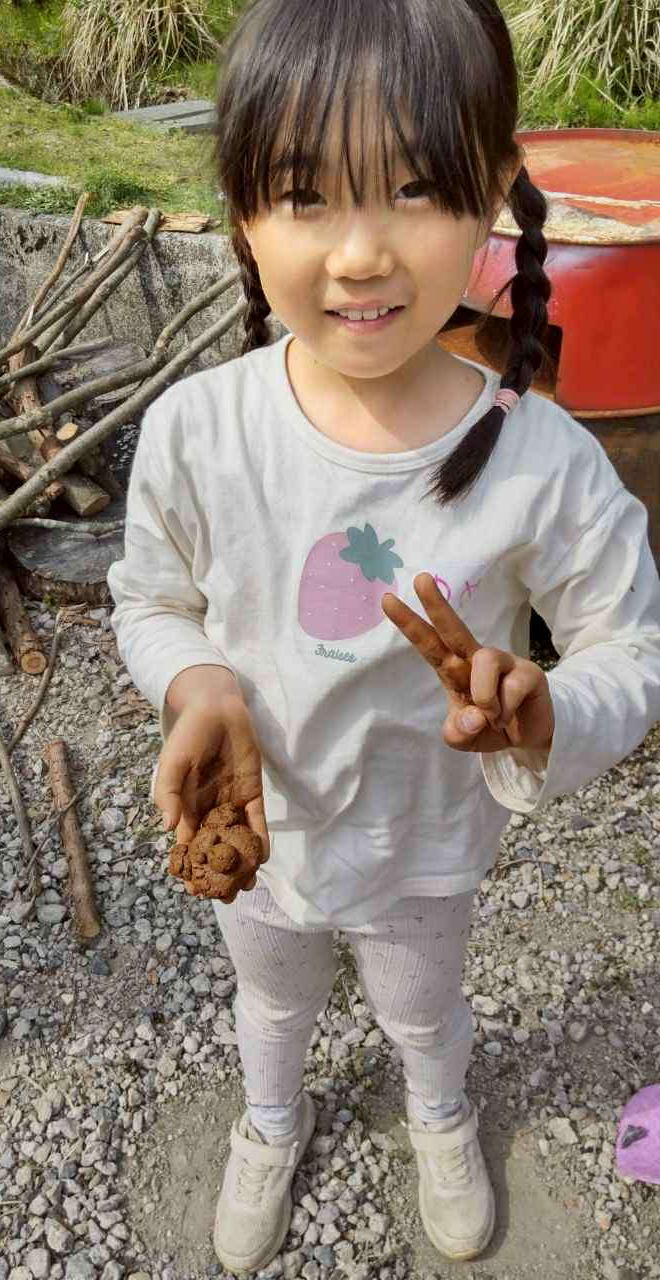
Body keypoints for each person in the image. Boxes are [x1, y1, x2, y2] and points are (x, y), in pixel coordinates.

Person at [107, 0, 660, 1271]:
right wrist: (198, 682)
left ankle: (441, 1112)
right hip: (258, 828)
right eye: (305, 194)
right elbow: (151, 597)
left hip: (423, 846)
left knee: (422, 1006)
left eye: (412, 187)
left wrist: (548, 707)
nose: (359, 254)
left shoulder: (539, 460)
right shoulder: (201, 431)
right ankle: (269, 1118)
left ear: (492, 191)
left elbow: (630, 644)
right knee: (271, 995)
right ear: (244, 210)